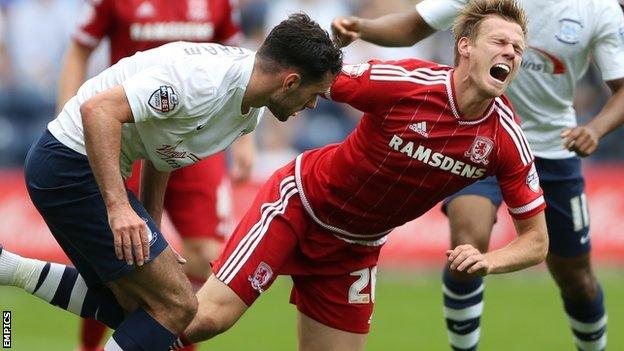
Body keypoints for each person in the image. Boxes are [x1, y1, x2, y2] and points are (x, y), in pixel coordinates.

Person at [0, 13, 342, 351]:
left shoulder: (248, 113)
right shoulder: (203, 82)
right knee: (179, 305)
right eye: (313, 94)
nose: (311, 105)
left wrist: (151, 227)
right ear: (291, 81)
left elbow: (161, 150)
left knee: (141, 310)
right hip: (68, 165)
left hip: (73, 167)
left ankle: (10, 267)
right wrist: (119, 208)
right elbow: (98, 111)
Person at [331, 0, 624, 350]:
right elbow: (412, 26)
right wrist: (361, 28)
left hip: (554, 149)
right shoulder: (488, 4)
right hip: (477, 137)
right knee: (466, 245)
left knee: (576, 277)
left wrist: (595, 128)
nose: (510, 52)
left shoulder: (599, 10)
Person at [57, 1, 253, 349]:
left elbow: (244, 65)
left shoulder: (218, 4)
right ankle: (91, 345)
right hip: (125, 136)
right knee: (122, 257)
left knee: (205, 255)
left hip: (194, 136)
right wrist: (67, 118)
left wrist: (243, 141)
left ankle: (168, 341)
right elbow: (79, 50)